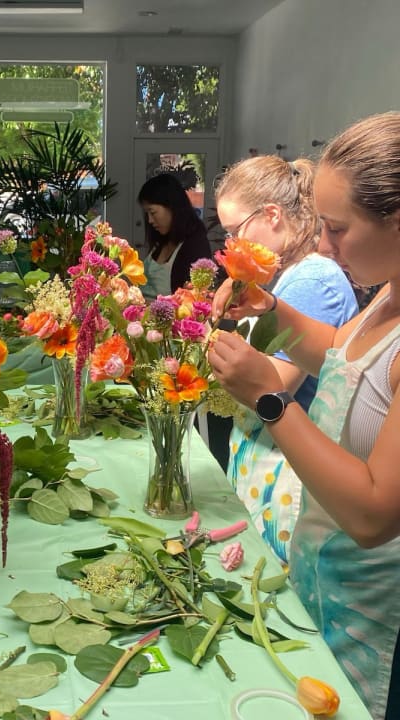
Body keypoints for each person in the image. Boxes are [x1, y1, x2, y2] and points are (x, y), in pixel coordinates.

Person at [208, 111, 400, 720]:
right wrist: (271, 310)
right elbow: (341, 353)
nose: (322, 245)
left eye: (337, 229)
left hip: (376, 606)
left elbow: (373, 514)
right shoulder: (388, 292)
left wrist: (271, 399)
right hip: (329, 574)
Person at [214, 155, 357, 565]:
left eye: (236, 231)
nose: (232, 245)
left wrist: (203, 351)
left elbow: (272, 383)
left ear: (272, 215)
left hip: (289, 469)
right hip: (268, 459)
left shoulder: (313, 278)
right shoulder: (285, 277)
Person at [137, 172, 213, 298]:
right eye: (147, 214)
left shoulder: (195, 245)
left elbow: (194, 297)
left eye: (153, 212)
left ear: (172, 206)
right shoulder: (162, 240)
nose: (149, 220)